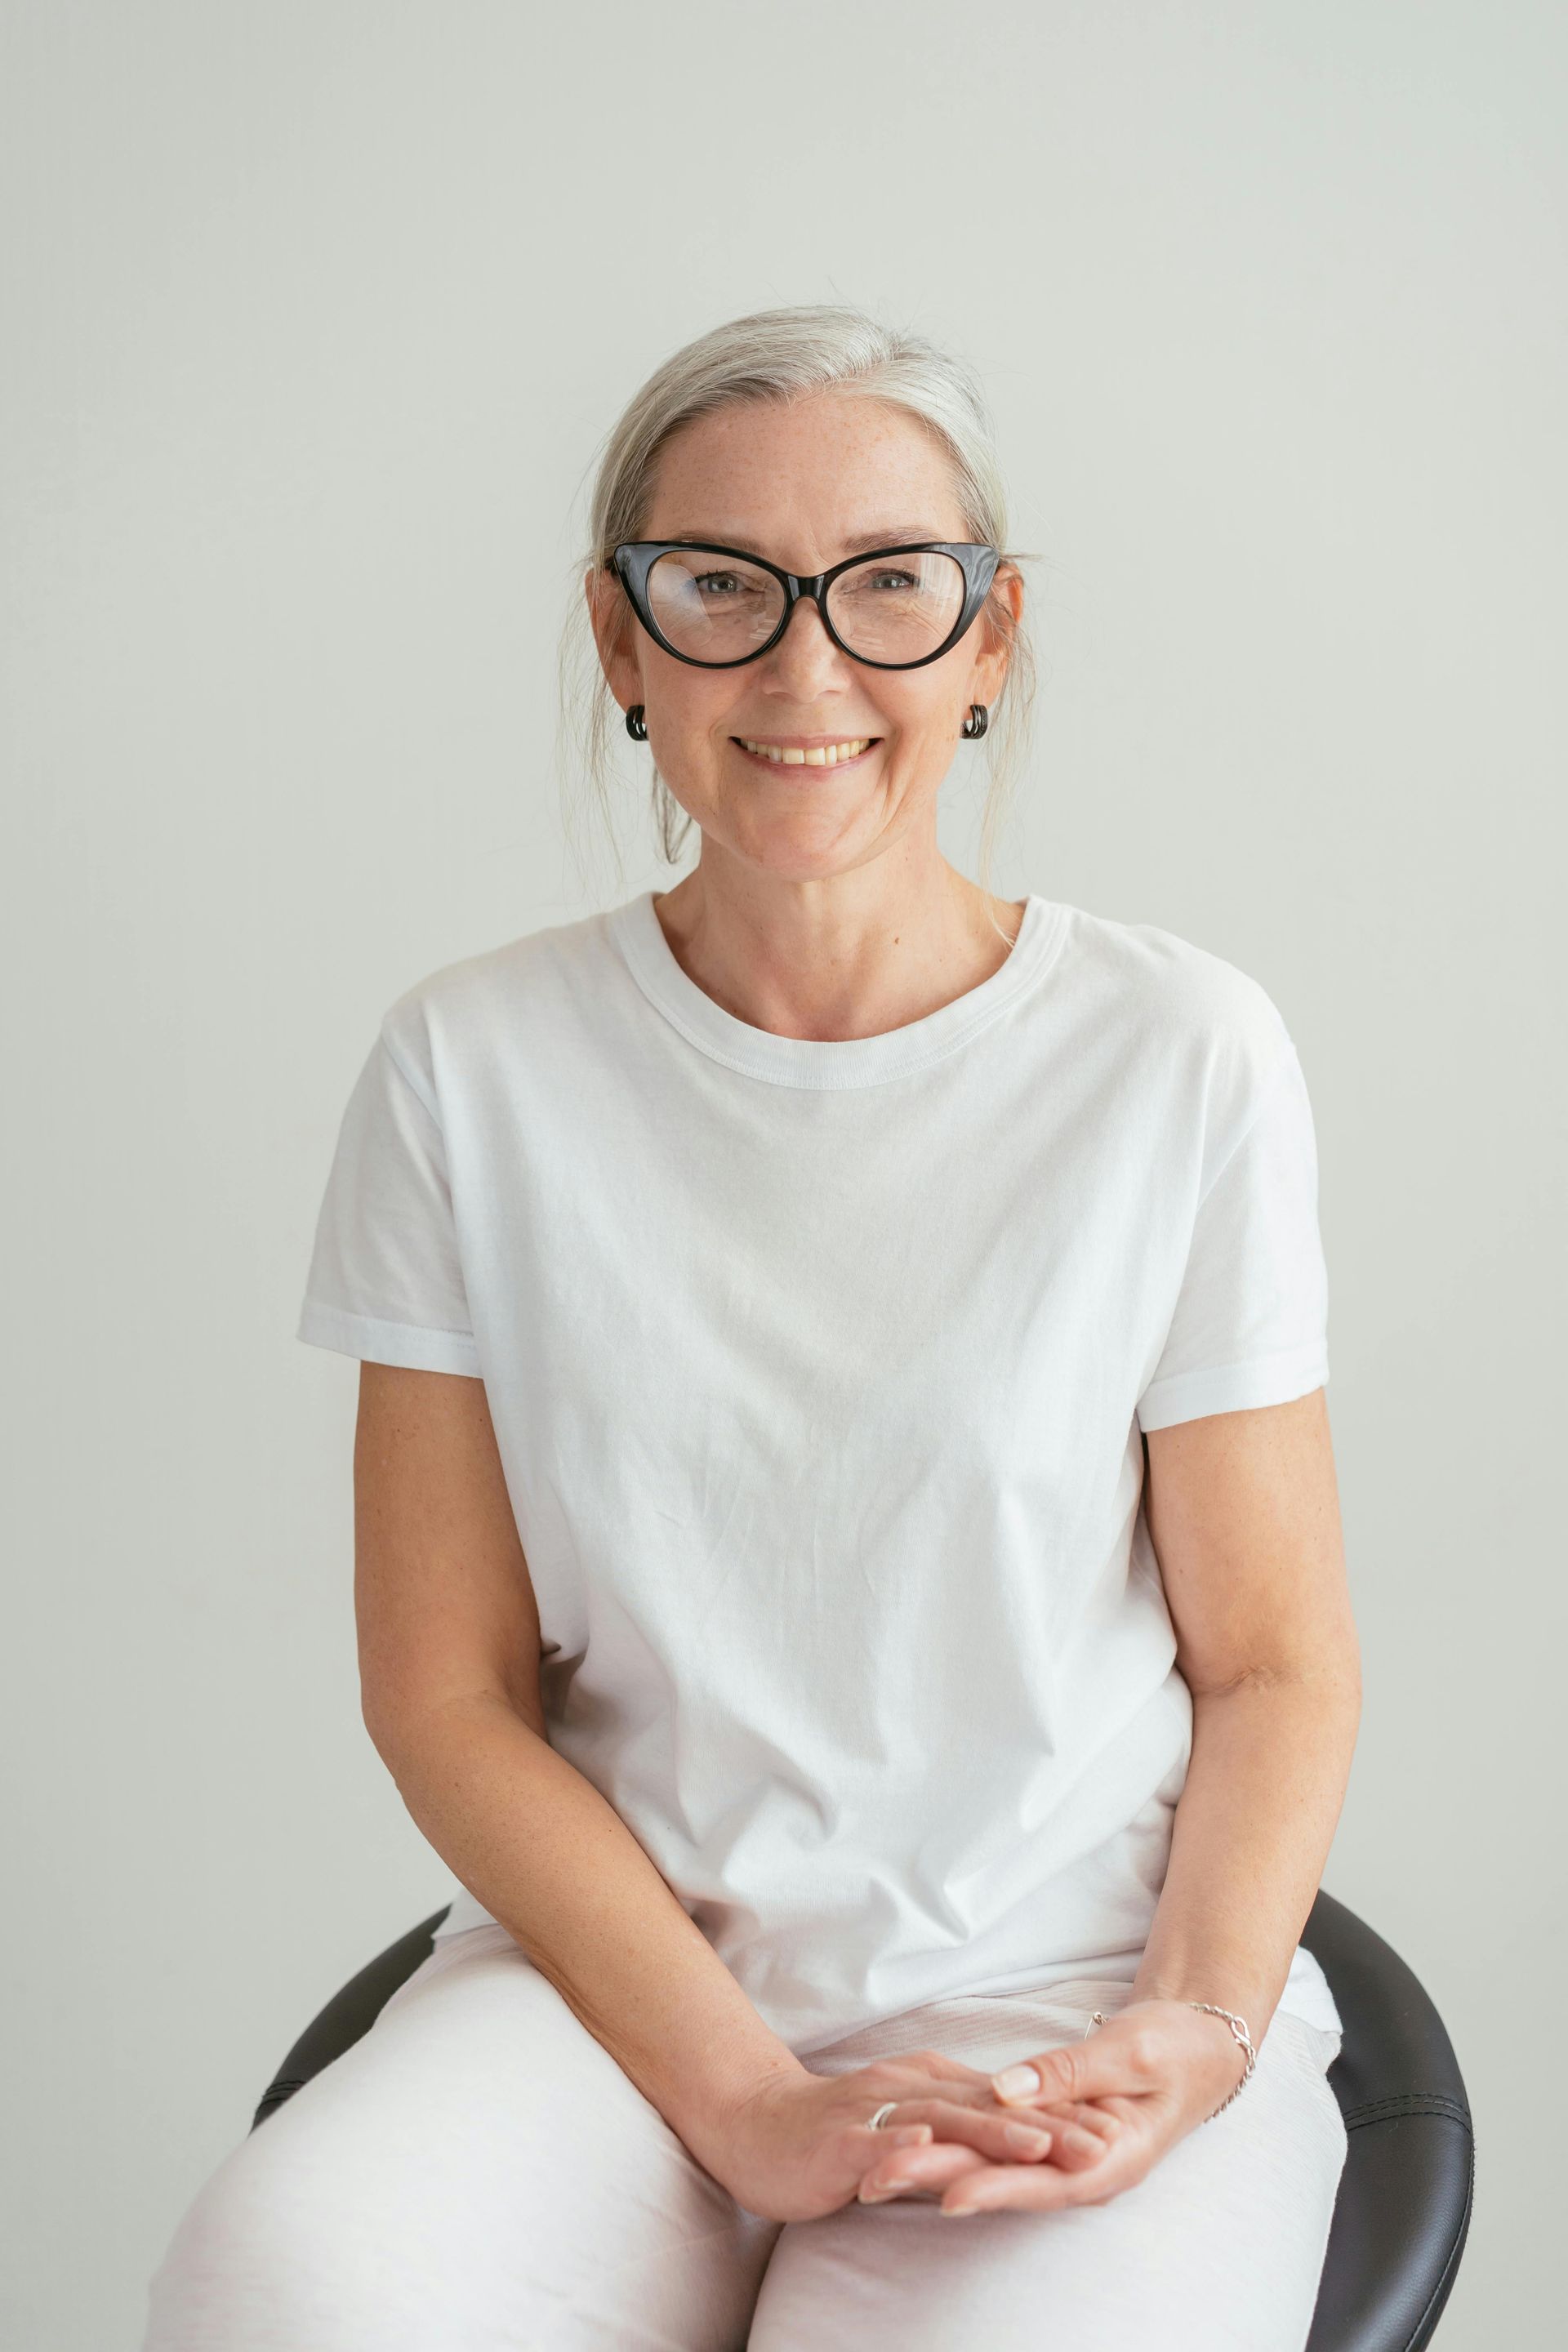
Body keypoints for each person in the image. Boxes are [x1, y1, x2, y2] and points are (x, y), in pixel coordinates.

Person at [142, 303, 1359, 2350]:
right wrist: (745, 2098)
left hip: (1064, 1987)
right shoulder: (469, 1070)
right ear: (621, 643)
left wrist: (1203, 2026)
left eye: (889, 585)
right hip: (620, 2001)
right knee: (274, 2287)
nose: (806, 669)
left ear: (990, 639)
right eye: (720, 587)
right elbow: (446, 1691)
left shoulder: (1180, 1055)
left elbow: (1274, 1661)